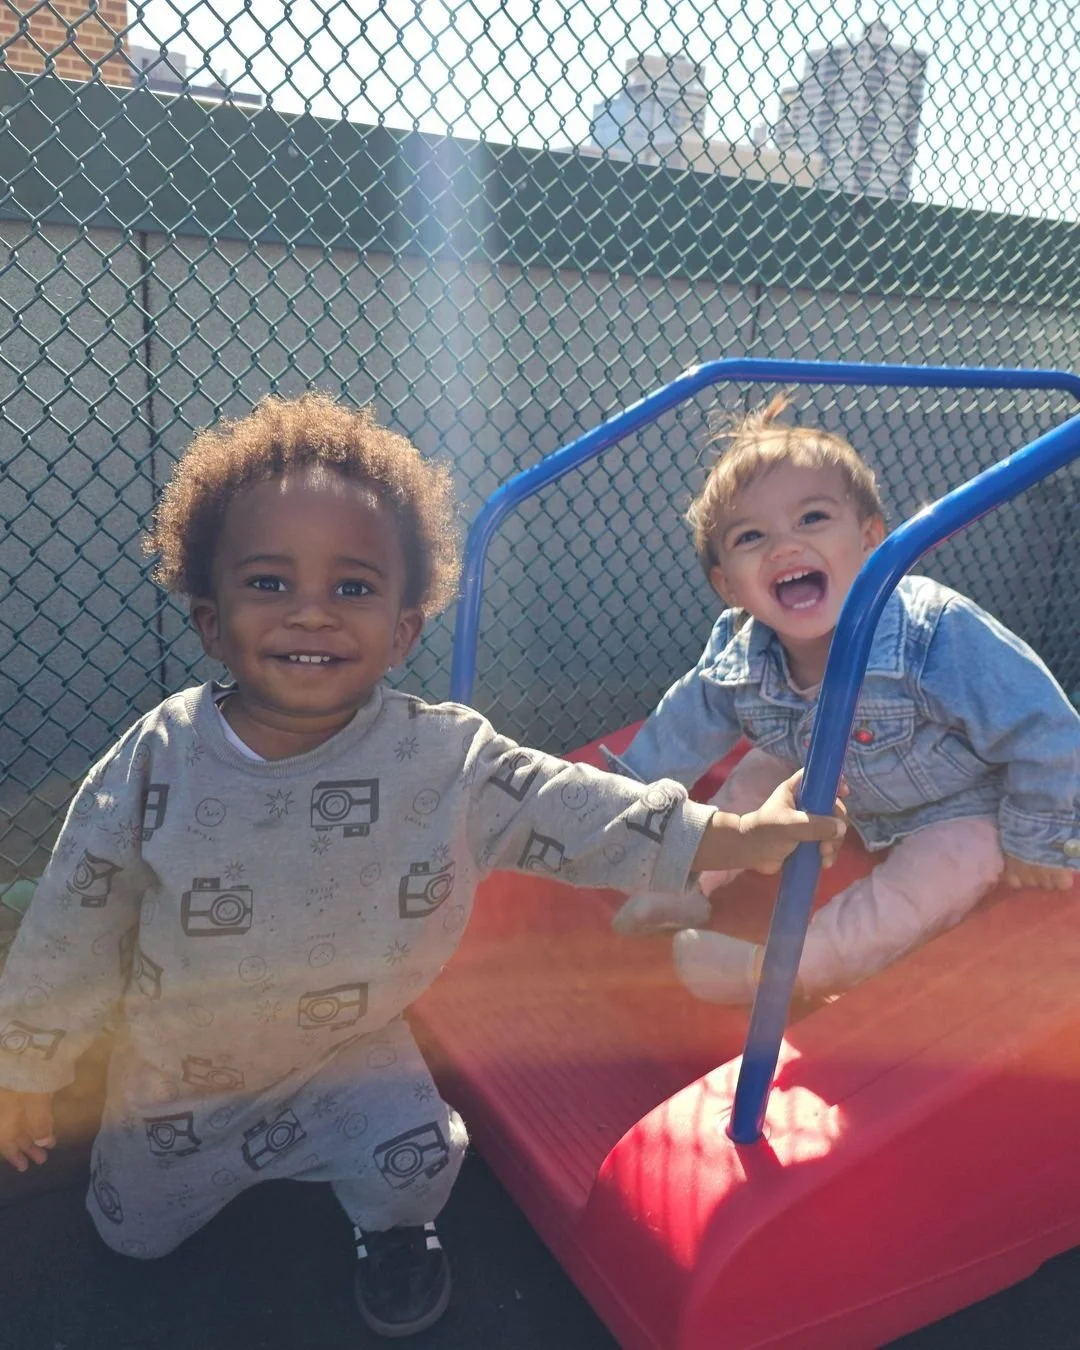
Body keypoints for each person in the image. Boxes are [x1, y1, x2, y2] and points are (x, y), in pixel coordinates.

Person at [0, 392, 845, 1338]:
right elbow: (78, 908)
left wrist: (742, 835)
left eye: (353, 588)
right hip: (181, 1072)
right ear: (209, 618)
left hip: (349, 1050)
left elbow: (591, 814)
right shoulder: (162, 756)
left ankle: (392, 1232)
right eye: (270, 584)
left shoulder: (447, 762)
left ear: (403, 630)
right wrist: (27, 1058)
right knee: (130, 1237)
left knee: (420, 1157)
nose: (312, 612)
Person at [606, 395, 1079, 1004]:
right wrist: (614, 808)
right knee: (757, 773)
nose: (784, 547)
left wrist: (1038, 839)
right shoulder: (740, 654)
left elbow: (1045, 726)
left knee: (952, 863)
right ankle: (687, 882)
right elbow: (680, 728)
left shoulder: (932, 631)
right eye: (751, 536)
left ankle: (784, 971)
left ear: (871, 540)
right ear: (727, 585)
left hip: (956, 803)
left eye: (812, 519)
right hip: (835, 779)